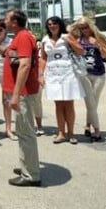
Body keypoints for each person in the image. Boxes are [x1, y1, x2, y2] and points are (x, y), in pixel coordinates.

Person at [0, 9, 41, 187]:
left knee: (26, 133)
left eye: (7, 19)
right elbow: (5, 53)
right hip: (20, 92)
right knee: (22, 131)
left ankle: (31, 175)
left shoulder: (24, 37)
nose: (4, 21)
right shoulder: (19, 37)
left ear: (15, 22)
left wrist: (16, 95)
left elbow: (25, 65)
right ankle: (27, 165)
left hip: (24, 93)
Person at [39, 16, 85, 145]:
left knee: (69, 104)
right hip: (53, 74)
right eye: (49, 24)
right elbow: (43, 58)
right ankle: (61, 133)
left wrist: (70, 41)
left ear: (60, 25)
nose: (52, 26)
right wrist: (40, 75)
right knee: (58, 105)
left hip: (68, 74)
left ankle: (71, 133)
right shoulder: (45, 40)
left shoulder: (66, 37)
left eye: (55, 24)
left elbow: (81, 51)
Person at [72, 17, 106, 142]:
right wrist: (76, 25)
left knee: (94, 102)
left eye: (86, 27)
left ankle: (88, 125)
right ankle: (96, 130)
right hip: (85, 74)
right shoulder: (78, 40)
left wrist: (97, 44)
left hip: (99, 74)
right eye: (81, 28)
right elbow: (69, 30)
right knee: (90, 102)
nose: (84, 30)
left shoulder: (99, 38)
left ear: (91, 26)